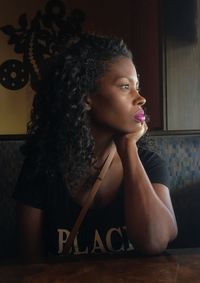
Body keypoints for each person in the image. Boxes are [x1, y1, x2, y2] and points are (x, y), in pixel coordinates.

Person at [14, 33, 178, 258]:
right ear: (86, 98)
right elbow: (29, 263)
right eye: (124, 86)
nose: (140, 98)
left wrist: (129, 149)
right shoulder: (42, 168)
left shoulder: (150, 165)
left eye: (137, 86)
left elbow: (154, 243)